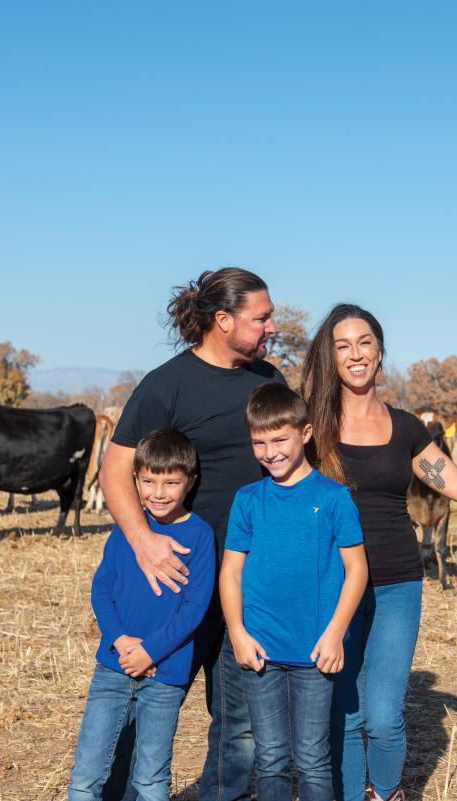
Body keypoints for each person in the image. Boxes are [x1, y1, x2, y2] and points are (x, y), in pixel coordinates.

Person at [301, 303, 457, 801]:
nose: (356, 354)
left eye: (365, 343)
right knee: (345, 715)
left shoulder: (407, 428)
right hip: (332, 584)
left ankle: (387, 793)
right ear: (330, 356)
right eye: (343, 345)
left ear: (380, 352)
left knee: (383, 716)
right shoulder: (310, 427)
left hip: (397, 582)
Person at [99, 267, 282, 801]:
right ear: (223, 320)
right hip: (177, 576)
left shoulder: (268, 381)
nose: (272, 327)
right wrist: (144, 542)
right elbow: (114, 470)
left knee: (239, 722)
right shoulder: (167, 384)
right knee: (142, 703)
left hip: (245, 581)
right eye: (262, 318)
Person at [220, 383, 369, 801]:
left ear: (305, 433)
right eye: (259, 443)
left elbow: (357, 569)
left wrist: (335, 634)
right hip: (260, 649)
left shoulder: (334, 498)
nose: (270, 453)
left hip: (315, 651)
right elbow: (230, 572)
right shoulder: (248, 499)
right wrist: (237, 633)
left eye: (279, 440)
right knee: (270, 757)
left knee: (312, 758)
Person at [69, 427, 215, 801]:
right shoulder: (127, 528)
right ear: (135, 479)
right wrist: (120, 641)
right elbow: (101, 589)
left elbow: (194, 608)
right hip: (112, 668)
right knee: (85, 777)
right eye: (149, 481)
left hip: (165, 675)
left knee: (151, 779)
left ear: (191, 482)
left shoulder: (200, 536)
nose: (158, 492)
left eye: (171, 482)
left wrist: (150, 651)